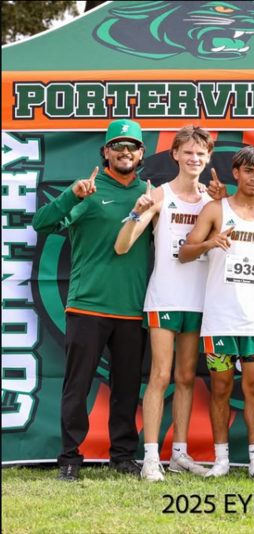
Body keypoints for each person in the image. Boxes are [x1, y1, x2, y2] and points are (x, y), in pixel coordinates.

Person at [32, 119, 150, 481]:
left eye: (131, 146)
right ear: (105, 152)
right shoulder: (88, 189)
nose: (125, 151)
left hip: (133, 310)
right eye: (118, 145)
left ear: (142, 153)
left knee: (128, 388)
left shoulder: (152, 193)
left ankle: (123, 456)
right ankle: (69, 457)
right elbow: (42, 223)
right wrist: (72, 196)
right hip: (87, 306)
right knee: (77, 385)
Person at [179, 146, 254, 480]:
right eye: (248, 171)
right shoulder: (216, 210)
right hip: (221, 318)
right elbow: (186, 252)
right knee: (220, 388)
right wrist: (209, 243)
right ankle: (222, 460)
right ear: (236, 173)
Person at [114, 125, 214, 481]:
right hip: (165, 296)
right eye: (188, 152)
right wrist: (136, 212)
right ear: (175, 155)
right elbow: (123, 246)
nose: (194, 158)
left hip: (199, 299)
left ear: (208, 158)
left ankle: (180, 454)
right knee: (159, 374)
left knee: (186, 376)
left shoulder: (212, 200)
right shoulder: (158, 195)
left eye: (201, 153)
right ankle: (152, 457)